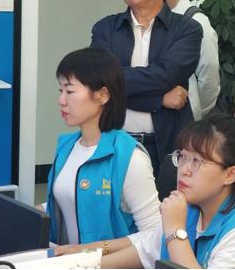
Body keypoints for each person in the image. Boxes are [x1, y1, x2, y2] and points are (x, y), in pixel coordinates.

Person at [98, 113, 235, 268]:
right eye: (183, 156)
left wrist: (175, 231)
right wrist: (84, 263)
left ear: (230, 174)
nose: (184, 170)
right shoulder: (191, 208)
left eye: (197, 161)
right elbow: (144, 253)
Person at [91, 0, 203, 175]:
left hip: (167, 150)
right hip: (115, 143)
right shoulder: (105, 29)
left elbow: (166, 75)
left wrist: (116, 84)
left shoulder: (186, 29)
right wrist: (159, 99)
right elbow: (98, 81)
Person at [45, 47, 161, 246]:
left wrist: (96, 250)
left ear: (102, 95)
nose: (61, 100)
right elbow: (70, 199)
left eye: (70, 91)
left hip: (107, 261)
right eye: (60, 91)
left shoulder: (130, 158)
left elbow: (154, 235)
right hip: (65, 259)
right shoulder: (66, 146)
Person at [155, 0, 220, 121]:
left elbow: (209, 81)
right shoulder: (144, 17)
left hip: (182, 122)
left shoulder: (196, 22)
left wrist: (195, 110)